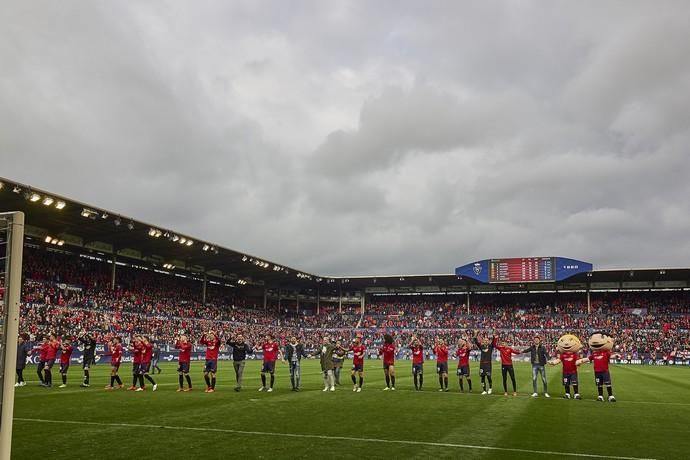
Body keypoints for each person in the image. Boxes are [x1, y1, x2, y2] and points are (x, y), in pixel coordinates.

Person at [577, 332, 621, 402]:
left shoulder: (606, 352)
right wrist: (580, 361)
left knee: (608, 384)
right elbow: (588, 359)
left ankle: (610, 396)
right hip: (597, 372)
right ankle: (600, 396)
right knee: (599, 384)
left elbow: (611, 356)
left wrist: (616, 355)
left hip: (605, 371)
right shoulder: (594, 353)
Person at [548, 334, 584, 400]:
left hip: (573, 372)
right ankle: (567, 394)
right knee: (566, 383)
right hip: (565, 372)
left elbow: (578, 361)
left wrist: (579, 363)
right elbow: (558, 360)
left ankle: (576, 394)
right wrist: (553, 362)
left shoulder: (574, 355)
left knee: (574, 383)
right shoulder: (563, 355)